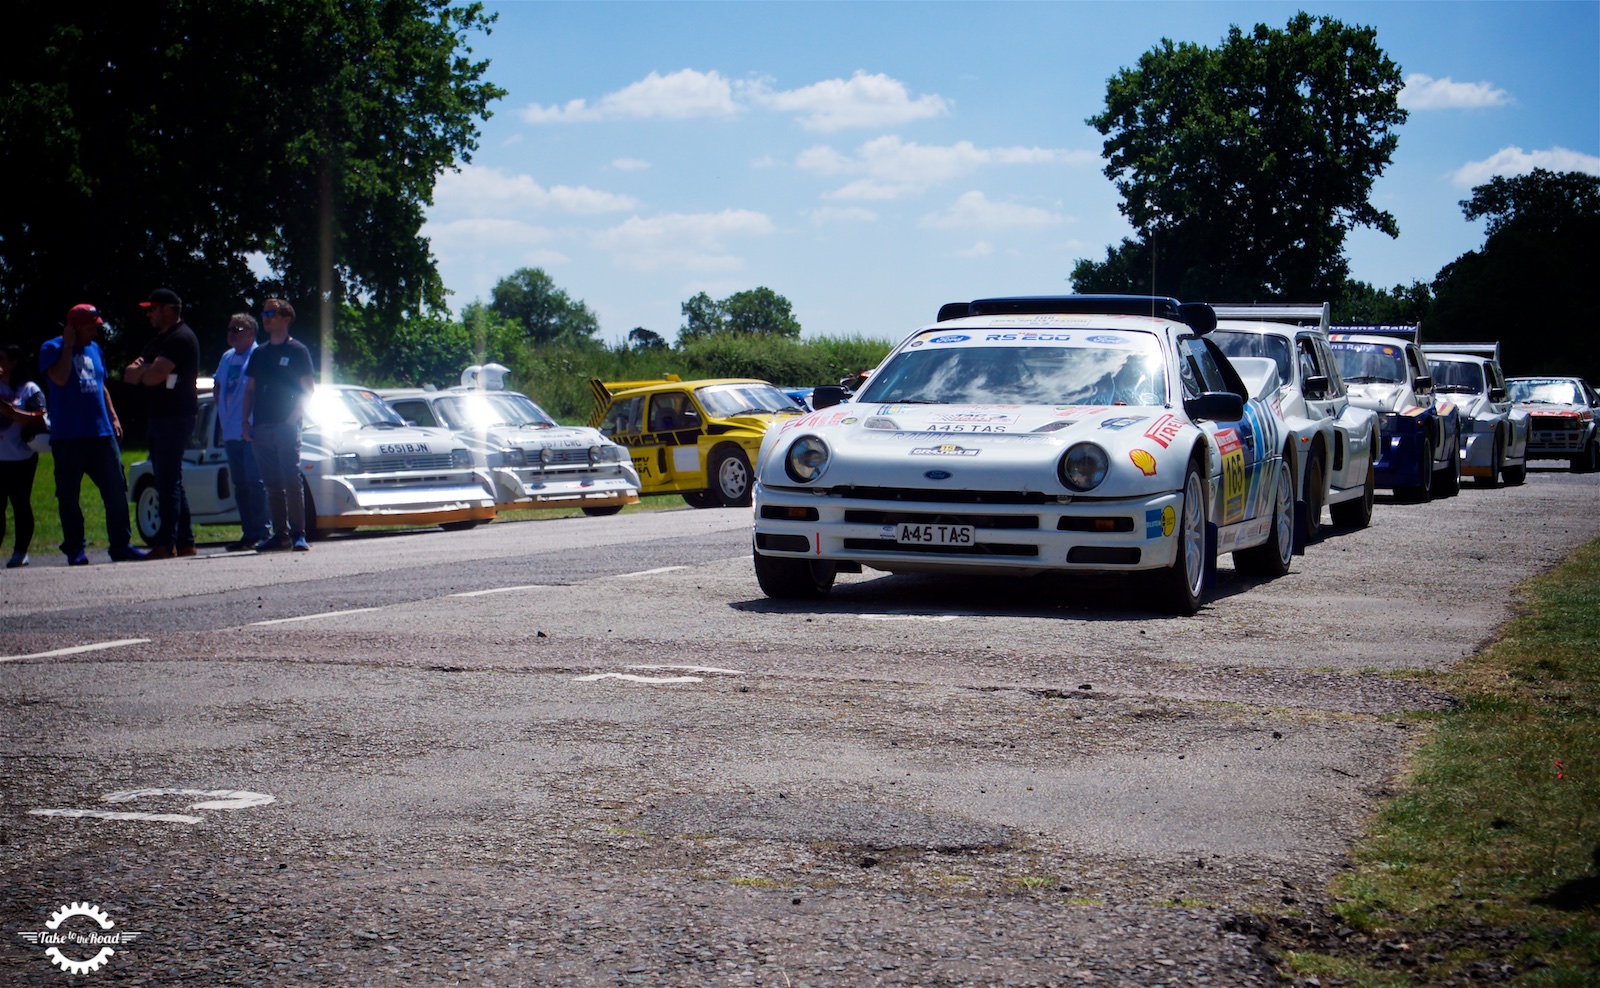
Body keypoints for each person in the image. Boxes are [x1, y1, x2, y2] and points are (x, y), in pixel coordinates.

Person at [38, 304, 148, 565]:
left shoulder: (95, 349)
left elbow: (101, 385)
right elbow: (61, 379)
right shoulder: (51, 349)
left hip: (100, 433)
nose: (96, 332)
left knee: (116, 489)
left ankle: (121, 545)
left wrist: (113, 416)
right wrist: (67, 346)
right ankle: (75, 548)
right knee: (69, 496)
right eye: (91, 327)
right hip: (68, 437)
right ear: (73, 327)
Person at [124, 288, 200, 558]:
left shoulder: (181, 338)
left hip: (175, 417)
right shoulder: (159, 340)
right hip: (160, 416)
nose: (148, 314)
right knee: (171, 479)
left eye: (152, 308)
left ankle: (166, 543)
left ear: (168, 309)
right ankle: (186, 540)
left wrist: (147, 370)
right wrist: (148, 370)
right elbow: (129, 375)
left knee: (166, 481)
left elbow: (154, 376)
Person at [242, 298, 315, 552]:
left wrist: (291, 419)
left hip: (286, 426)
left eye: (271, 313)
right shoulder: (259, 353)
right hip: (261, 426)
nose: (265, 317)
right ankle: (279, 535)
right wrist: (245, 422)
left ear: (286, 319)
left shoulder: (298, 351)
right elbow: (249, 390)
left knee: (291, 479)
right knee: (272, 483)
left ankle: (298, 534)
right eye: (264, 313)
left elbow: (308, 390)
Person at [215, 313, 271, 551]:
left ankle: (263, 531)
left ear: (250, 333)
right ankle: (248, 533)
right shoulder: (227, 357)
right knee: (239, 484)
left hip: (250, 429)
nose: (231, 334)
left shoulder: (258, 355)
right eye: (229, 329)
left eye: (236, 330)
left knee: (255, 482)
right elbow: (218, 385)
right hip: (230, 430)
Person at [1, 344, 48, 568]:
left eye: (1, 359)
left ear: (13, 362)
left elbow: (40, 418)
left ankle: (21, 551)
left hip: (21, 458)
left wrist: (11, 412)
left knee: (20, 505)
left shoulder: (29, 389)